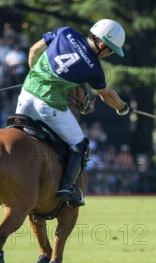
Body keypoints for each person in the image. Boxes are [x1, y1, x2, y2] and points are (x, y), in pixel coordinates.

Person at [15, 19, 130, 207]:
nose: (108, 55)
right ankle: (66, 188)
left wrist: (36, 75)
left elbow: (34, 50)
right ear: (101, 44)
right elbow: (106, 95)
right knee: (80, 143)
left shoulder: (66, 32)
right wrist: (122, 107)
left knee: (17, 134)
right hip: (48, 105)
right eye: (109, 50)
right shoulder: (94, 68)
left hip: (25, 96)